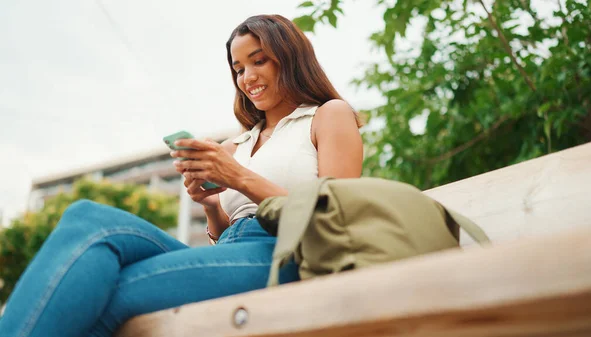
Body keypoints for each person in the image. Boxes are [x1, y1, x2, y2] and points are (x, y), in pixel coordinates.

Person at [0, 14, 363, 337]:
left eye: (258, 61)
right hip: (236, 250)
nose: (247, 77)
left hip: (288, 253)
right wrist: (209, 205)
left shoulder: (328, 115)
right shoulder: (236, 145)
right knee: (86, 217)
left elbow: (334, 219)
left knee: (112, 291)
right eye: (238, 69)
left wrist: (238, 178)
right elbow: (224, 237)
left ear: (289, 57)